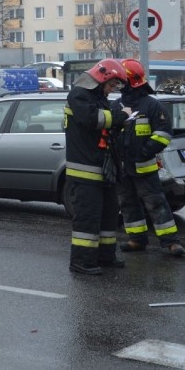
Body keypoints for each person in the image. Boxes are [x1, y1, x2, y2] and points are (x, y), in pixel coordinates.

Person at [64, 58, 132, 275]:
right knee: (88, 218)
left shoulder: (97, 97)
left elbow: (104, 126)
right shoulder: (79, 94)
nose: (112, 90)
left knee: (109, 215)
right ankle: (81, 261)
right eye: (112, 85)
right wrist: (122, 116)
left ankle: (105, 256)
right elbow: (92, 119)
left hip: (102, 168)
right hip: (85, 170)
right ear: (102, 77)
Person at [112, 59, 184, 257]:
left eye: (121, 80)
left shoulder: (152, 105)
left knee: (156, 203)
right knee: (127, 203)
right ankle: (136, 239)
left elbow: (164, 134)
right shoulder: (117, 104)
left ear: (131, 81)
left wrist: (144, 151)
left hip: (144, 166)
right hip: (122, 167)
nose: (119, 84)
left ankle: (171, 242)